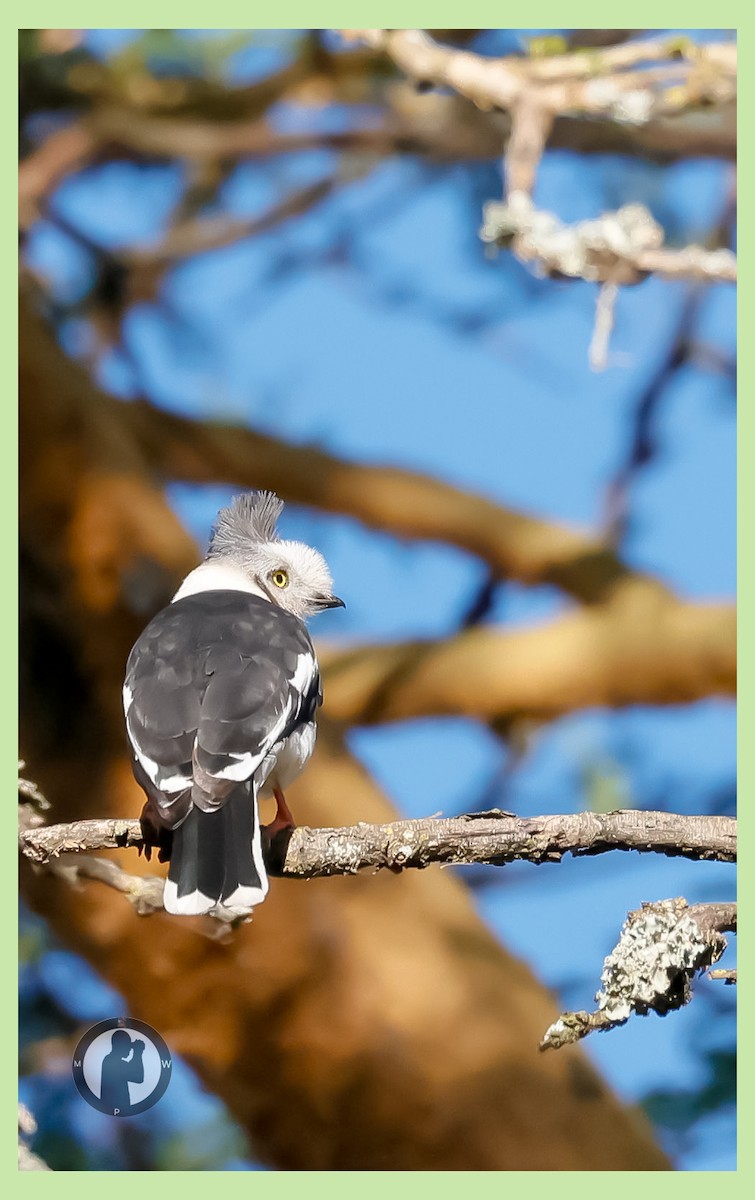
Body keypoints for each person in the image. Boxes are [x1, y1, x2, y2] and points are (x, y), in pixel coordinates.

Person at [99, 1029, 145, 1114]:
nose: (129, 1049)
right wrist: (137, 1053)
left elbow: (132, 1070)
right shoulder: (112, 1061)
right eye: (127, 1045)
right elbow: (138, 1077)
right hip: (115, 1110)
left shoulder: (111, 1060)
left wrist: (136, 1053)